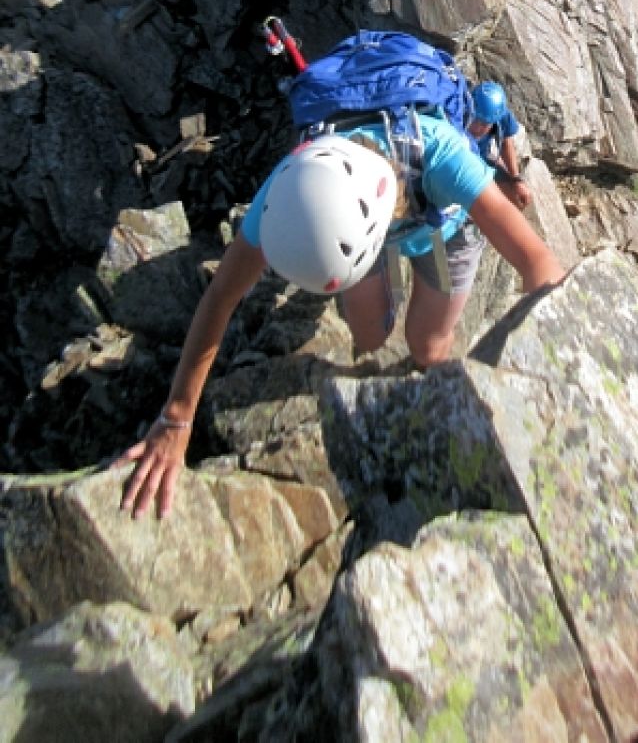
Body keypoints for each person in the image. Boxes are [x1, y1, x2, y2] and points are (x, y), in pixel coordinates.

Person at [116, 114, 564, 520]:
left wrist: (553, 380)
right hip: (364, 232)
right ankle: (383, 299)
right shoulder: (291, 186)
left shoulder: (445, 156)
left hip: (445, 228)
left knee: (428, 347)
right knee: (369, 337)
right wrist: (176, 417)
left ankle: (427, 355)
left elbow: (538, 262)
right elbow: (221, 296)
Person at [467, 82, 532, 211]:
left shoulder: (500, 114)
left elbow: (506, 141)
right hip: (458, 163)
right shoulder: (457, 111)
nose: (477, 128)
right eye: (474, 119)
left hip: (480, 160)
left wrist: (516, 179)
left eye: (484, 124)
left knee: (517, 198)